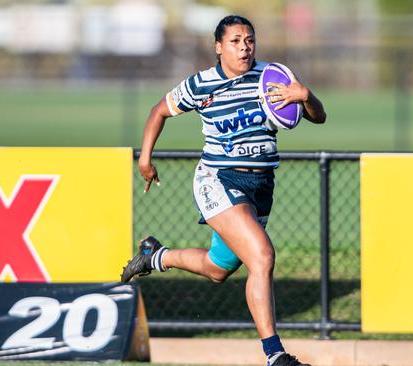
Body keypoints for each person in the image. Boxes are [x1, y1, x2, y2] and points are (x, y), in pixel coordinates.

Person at [121, 14, 326, 366]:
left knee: (217, 269)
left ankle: (155, 255)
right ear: (218, 47)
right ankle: (274, 355)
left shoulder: (271, 77)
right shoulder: (202, 84)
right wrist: (145, 159)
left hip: (261, 186)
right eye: (235, 41)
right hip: (219, 180)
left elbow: (318, 117)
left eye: (250, 40)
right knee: (261, 256)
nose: (244, 47)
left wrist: (305, 97)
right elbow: (159, 112)